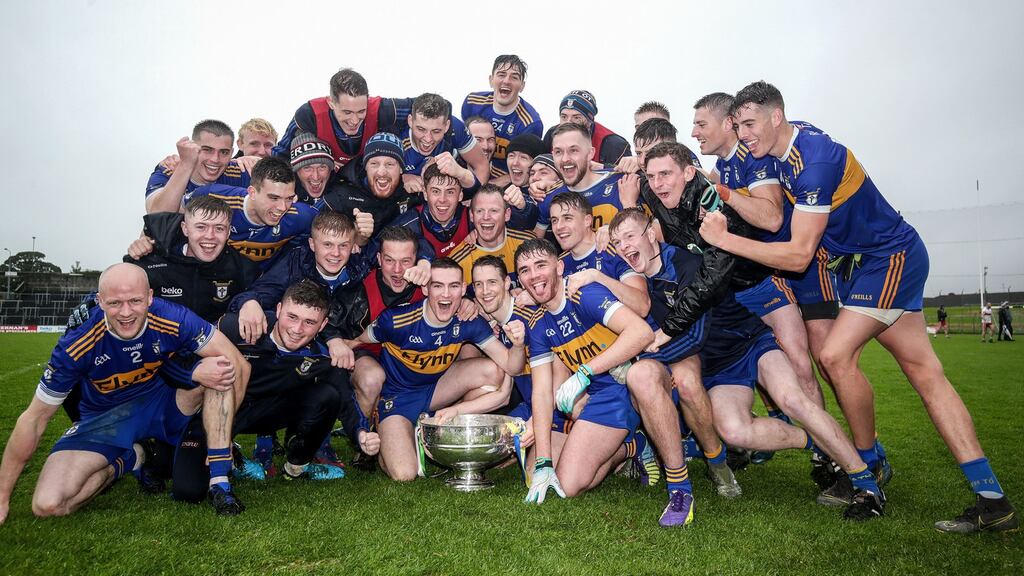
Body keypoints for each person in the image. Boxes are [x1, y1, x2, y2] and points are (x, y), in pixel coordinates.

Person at [700, 80, 1016, 532]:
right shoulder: (782, 149)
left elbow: (798, 254)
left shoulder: (815, 163)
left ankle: (867, 467)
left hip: (888, 259)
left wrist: (725, 239)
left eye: (749, 124)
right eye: (738, 125)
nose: (744, 134)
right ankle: (993, 501)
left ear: (776, 117)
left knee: (833, 354)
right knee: (925, 374)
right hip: (869, 263)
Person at [0, 263, 250, 523]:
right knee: (48, 504)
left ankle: (219, 481)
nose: (126, 312)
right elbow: (34, 419)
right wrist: (2, 496)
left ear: (150, 297)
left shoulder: (174, 317)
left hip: (164, 405)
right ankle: (132, 457)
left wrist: (224, 441)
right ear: (99, 301)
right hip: (105, 419)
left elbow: (237, 363)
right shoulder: (77, 344)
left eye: (135, 301)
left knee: (222, 367)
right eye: (115, 303)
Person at [515, 238, 697, 527]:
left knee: (641, 376)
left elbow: (640, 333)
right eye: (525, 270)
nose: (534, 275)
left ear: (559, 267)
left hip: (643, 376)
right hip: (604, 393)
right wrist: (543, 462)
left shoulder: (583, 295)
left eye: (540, 265)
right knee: (569, 485)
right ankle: (632, 446)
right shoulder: (537, 324)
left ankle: (680, 490)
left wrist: (585, 372)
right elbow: (540, 391)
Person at [691, 92, 828, 431]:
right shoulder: (723, 165)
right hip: (763, 273)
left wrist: (724, 194)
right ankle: (820, 443)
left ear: (727, 124)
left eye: (700, 124)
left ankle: (840, 452)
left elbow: (771, 219)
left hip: (793, 269)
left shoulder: (755, 158)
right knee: (786, 360)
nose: (694, 132)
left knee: (810, 360)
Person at [338, 258, 525, 481]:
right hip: (397, 398)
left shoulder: (468, 319)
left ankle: (440, 425)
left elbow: (511, 365)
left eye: (454, 286)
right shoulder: (396, 320)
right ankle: (389, 435)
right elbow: (355, 341)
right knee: (405, 474)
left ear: (463, 289)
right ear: (426, 289)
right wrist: (336, 345)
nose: (446, 295)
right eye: (438, 286)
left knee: (493, 371)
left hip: (438, 389)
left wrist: (518, 345)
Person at [608, 210, 741, 499]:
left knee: (688, 384)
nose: (624, 247)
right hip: (666, 346)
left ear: (651, 234)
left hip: (715, 345)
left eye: (630, 237)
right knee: (639, 379)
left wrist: (642, 355)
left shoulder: (685, 264)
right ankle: (659, 456)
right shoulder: (628, 274)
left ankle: (717, 462)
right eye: (617, 242)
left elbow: (694, 335)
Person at [214, 281, 348, 481]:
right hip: (223, 408)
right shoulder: (234, 327)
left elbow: (345, 394)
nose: (297, 329)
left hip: (268, 410)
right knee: (188, 486)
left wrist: (362, 432)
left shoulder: (321, 355)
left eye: (309, 322)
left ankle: (297, 468)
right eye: (292, 317)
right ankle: (228, 455)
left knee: (328, 396)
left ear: (323, 325)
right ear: (278, 310)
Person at [188, 156, 317, 270]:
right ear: (252, 192)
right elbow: (174, 217)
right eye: (274, 198)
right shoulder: (210, 196)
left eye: (289, 198)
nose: (282, 207)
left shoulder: (301, 216)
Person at [272, 68, 413, 168]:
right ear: (331, 103)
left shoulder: (381, 109)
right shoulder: (310, 115)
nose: (354, 120)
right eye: (347, 112)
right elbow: (280, 156)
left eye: (361, 111)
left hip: (367, 181)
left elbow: (426, 106)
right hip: (326, 184)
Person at [534, 123, 631, 238]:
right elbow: (535, 247)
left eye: (573, 150)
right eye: (558, 152)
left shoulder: (622, 182)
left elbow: (652, 233)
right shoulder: (548, 197)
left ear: (590, 153)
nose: (565, 159)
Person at [319, 132, 420, 242]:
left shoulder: (412, 191)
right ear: (365, 166)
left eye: (390, 164)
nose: (381, 172)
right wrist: (353, 235)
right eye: (374, 164)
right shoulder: (341, 195)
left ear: (401, 169)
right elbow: (312, 226)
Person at [462, 55, 544, 181]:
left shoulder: (530, 123)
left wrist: (488, 187)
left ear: (522, 86)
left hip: (503, 184)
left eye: (514, 77)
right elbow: (462, 143)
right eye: (501, 74)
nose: (506, 81)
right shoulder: (472, 103)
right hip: (470, 174)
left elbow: (526, 169)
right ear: (491, 80)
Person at [145, 120, 250, 213]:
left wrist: (258, 160)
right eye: (207, 150)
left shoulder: (240, 170)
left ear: (231, 153)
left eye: (224, 152)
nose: (215, 159)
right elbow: (157, 215)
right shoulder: (170, 169)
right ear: (192, 148)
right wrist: (185, 164)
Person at [400, 93, 490, 193]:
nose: (428, 139)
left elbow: (481, 164)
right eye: (421, 129)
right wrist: (400, 179)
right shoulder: (397, 135)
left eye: (436, 131)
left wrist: (474, 199)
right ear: (410, 121)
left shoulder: (455, 128)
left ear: (447, 126)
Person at [450, 184, 536, 288]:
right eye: (480, 211)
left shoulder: (529, 244)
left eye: (494, 210)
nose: (486, 217)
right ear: (472, 216)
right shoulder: (457, 263)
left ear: (507, 215)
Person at [543, 90, 631, 166]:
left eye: (576, 118)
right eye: (564, 117)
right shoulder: (551, 135)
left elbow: (623, 177)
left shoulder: (613, 145)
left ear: (590, 121)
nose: (568, 123)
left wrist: (601, 168)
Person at [289, 133, 336, 205]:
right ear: (296, 171)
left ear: (330, 169)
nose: (316, 177)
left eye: (322, 167)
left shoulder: (344, 195)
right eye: (307, 168)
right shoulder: (283, 197)